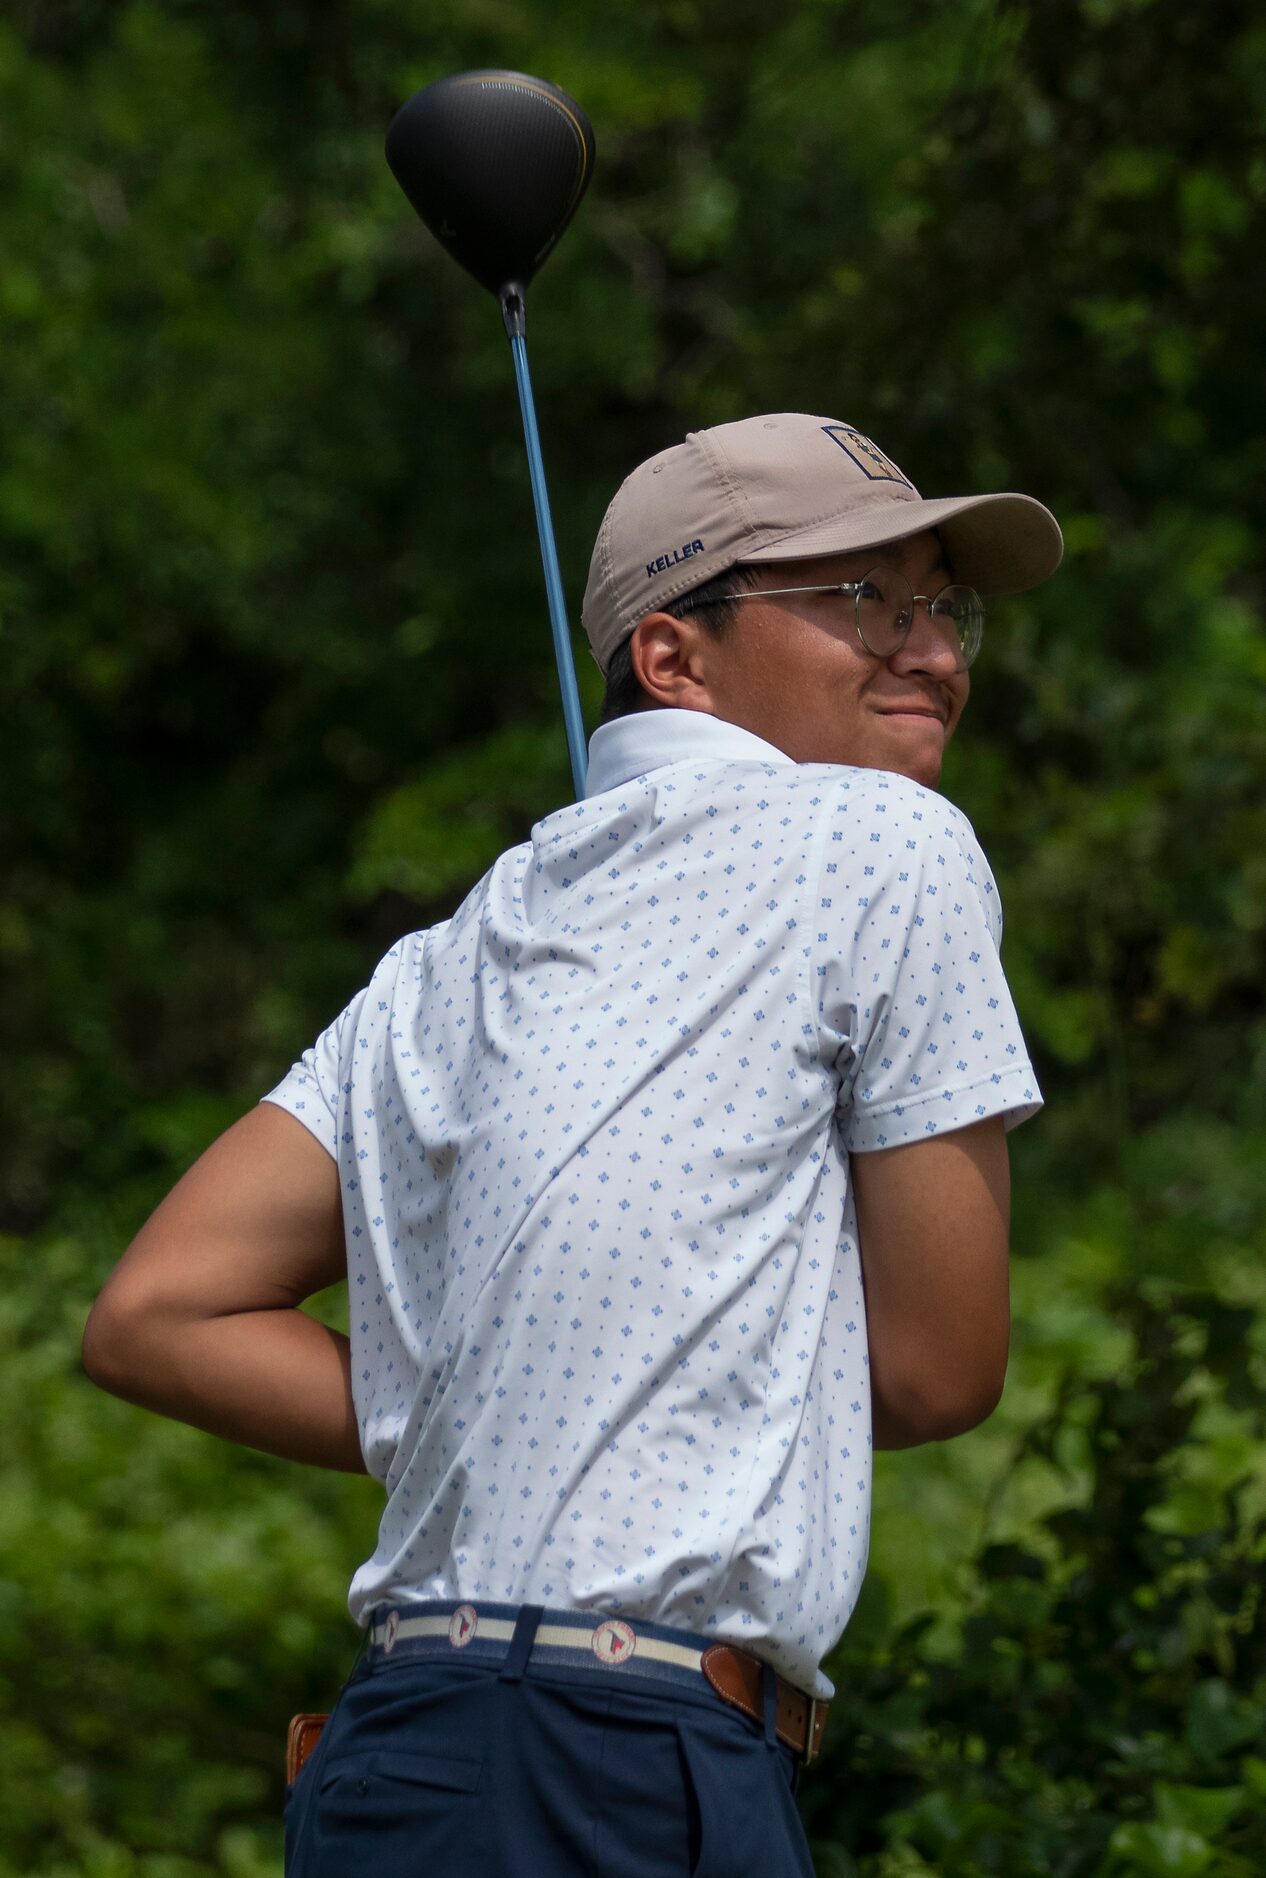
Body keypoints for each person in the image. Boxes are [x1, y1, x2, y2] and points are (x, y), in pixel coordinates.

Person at [82, 412, 1062, 1877]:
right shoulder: (887, 839)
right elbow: (934, 1367)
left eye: (942, 604)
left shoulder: (442, 955)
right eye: (864, 598)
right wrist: (557, 1398)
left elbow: (158, 1312)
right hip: (621, 1763)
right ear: (671, 658)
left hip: (394, 1757)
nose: (932, 649)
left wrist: (528, 1404)